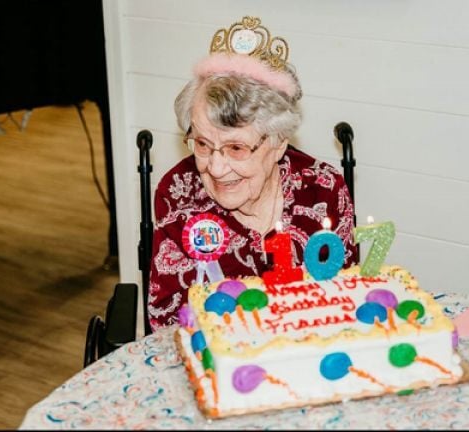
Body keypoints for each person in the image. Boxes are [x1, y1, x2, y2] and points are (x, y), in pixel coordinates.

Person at [148, 17, 357, 330]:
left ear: (277, 143)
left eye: (236, 148)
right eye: (203, 144)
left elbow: (348, 297)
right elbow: (166, 318)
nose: (216, 168)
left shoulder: (322, 189)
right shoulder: (178, 192)